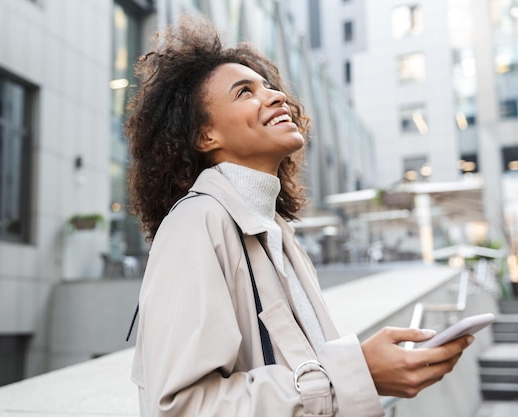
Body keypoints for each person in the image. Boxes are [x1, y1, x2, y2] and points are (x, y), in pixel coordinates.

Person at [125, 16, 473, 417]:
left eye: (269, 87)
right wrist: (358, 374)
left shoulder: (276, 231)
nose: (275, 97)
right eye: (244, 92)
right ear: (206, 136)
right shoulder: (197, 223)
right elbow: (183, 407)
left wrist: (358, 373)